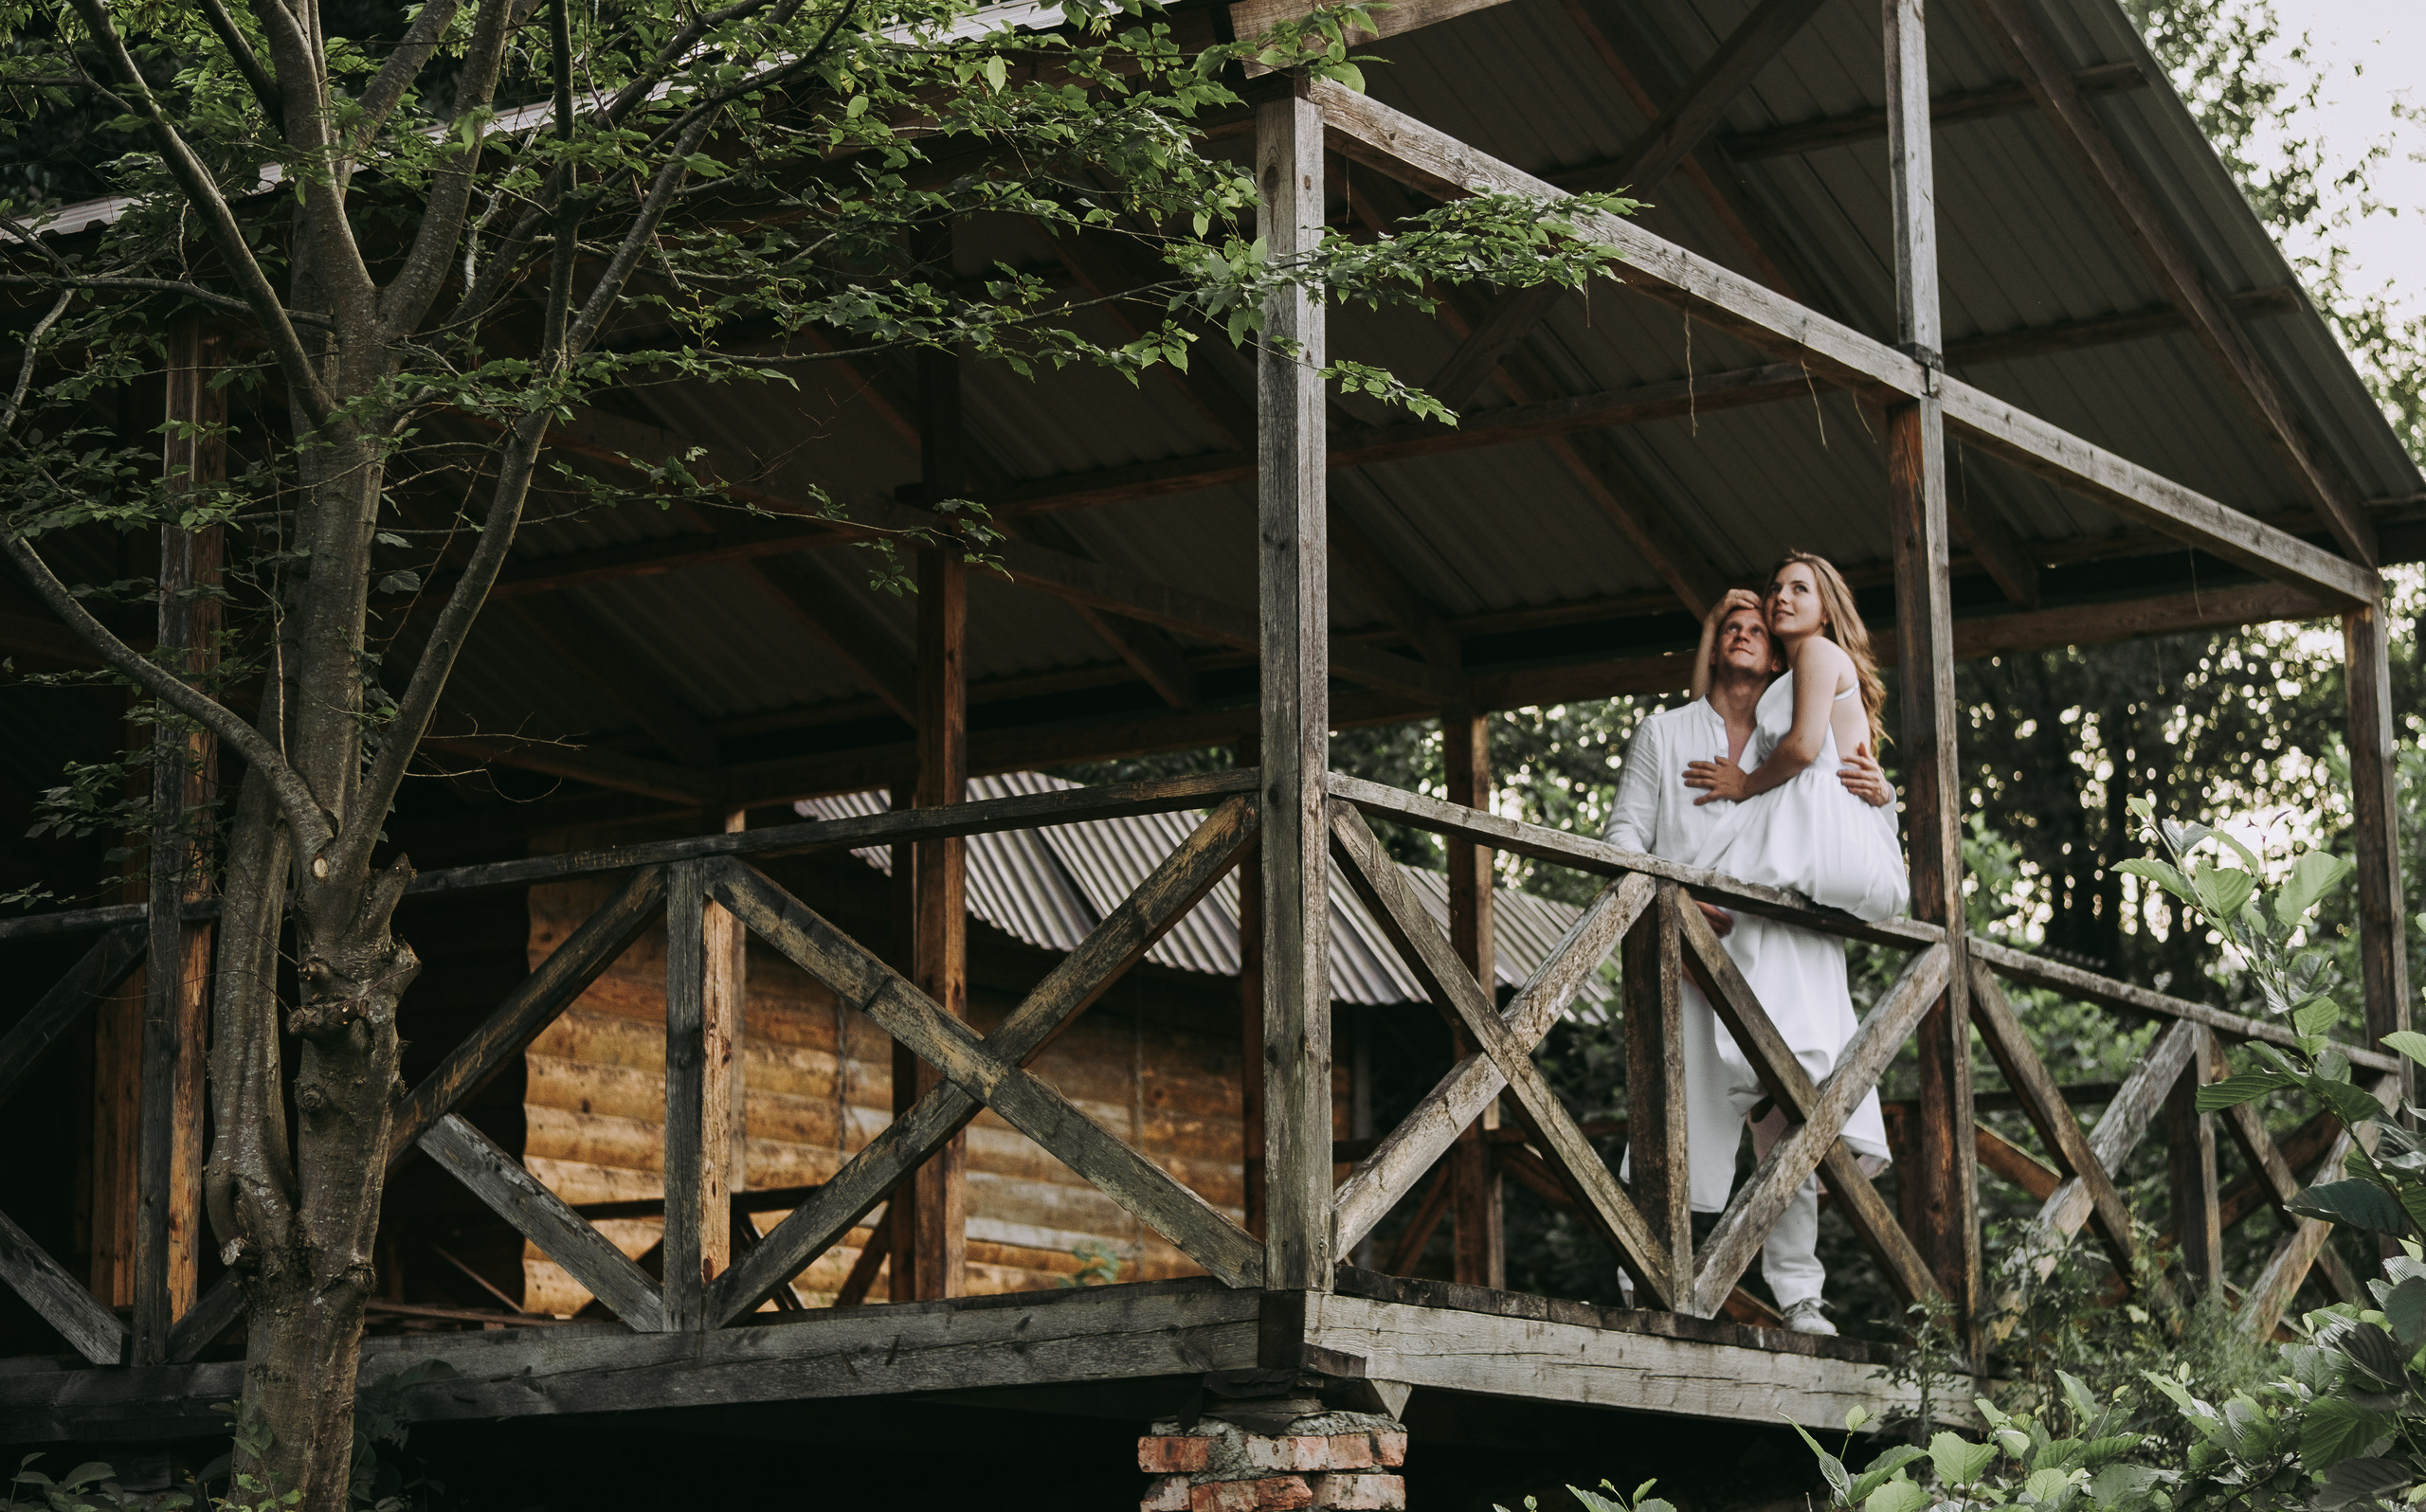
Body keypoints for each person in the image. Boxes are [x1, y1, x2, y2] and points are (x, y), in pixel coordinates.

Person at [1605, 588, 1893, 1333]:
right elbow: (1624, 838)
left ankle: (1800, 1296)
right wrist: (1667, 902)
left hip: (1784, 951)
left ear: (1776, 654)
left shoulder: (1787, 728)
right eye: (1727, 626)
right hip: (1692, 956)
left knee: (1791, 1116)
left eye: (1755, 627)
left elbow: (1845, 784)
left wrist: (1884, 792)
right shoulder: (1665, 735)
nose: (1743, 633)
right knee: (1669, 1117)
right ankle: (1642, 1279)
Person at [1675, 551, 1910, 1335]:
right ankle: (1769, 1288)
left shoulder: (1816, 653)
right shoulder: (1790, 668)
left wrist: (1744, 784)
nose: (1781, 598)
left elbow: (1808, 747)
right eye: (1776, 589)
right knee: (1772, 1098)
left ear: (1826, 604)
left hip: (1793, 861)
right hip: (1782, 878)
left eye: (1796, 589)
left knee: (1781, 1092)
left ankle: (1799, 1292)